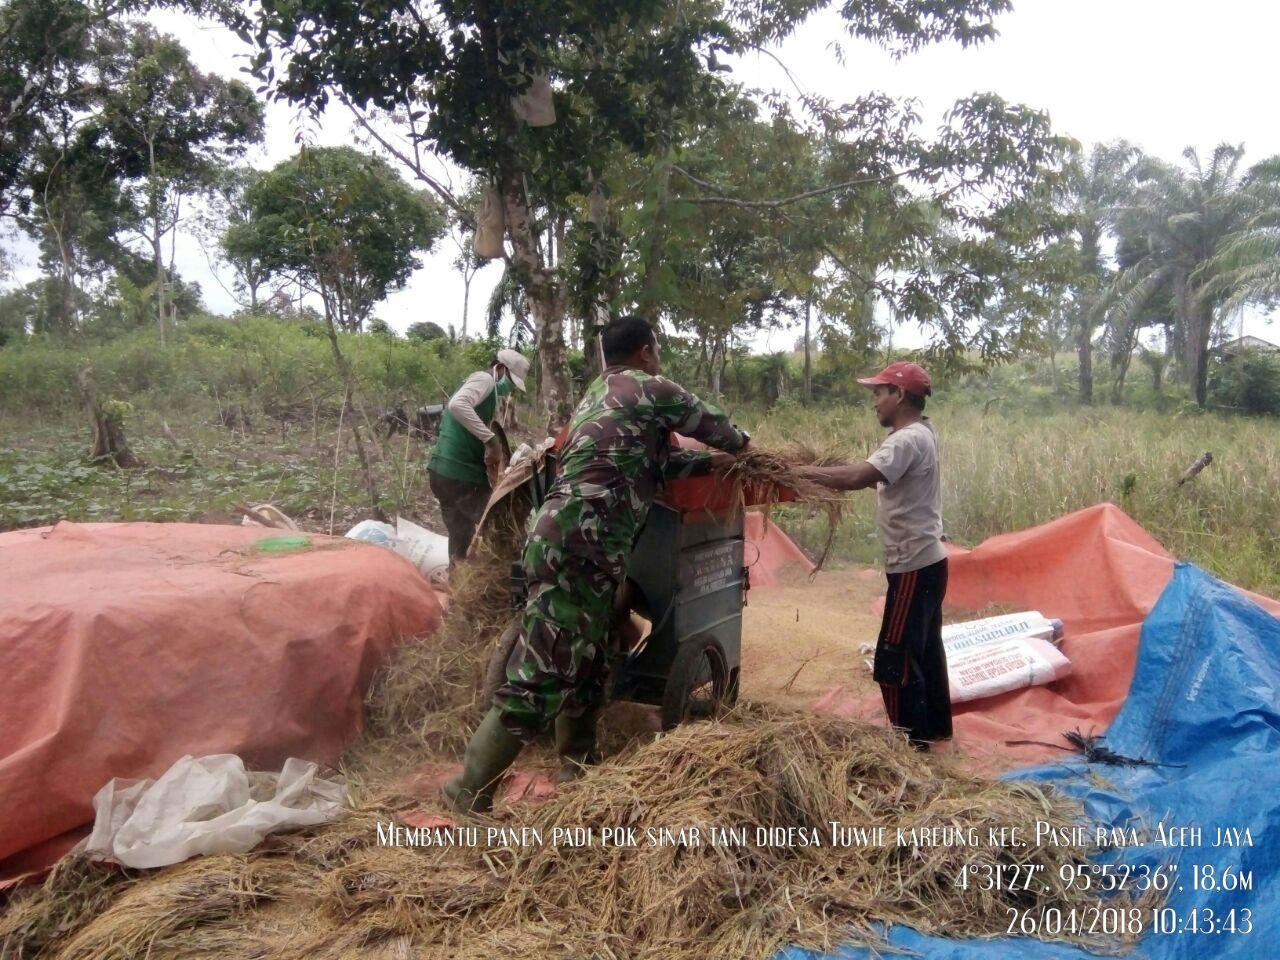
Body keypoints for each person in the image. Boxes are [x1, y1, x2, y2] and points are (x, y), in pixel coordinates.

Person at [442, 316, 749, 813]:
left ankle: (578, 762)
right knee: (542, 675)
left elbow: (643, 462)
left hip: (577, 543)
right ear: (647, 352)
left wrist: (706, 465)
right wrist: (741, 447)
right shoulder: (651, 388)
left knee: (593, 652)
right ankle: (467, 789)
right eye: (656, 352)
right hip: (577, 546)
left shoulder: (598, 395)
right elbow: (716, 428)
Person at [797, 361, 951, 751]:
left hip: (913, 564)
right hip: (931, 560)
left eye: (879, 393)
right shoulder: (923, 433)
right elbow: (879, 477)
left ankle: (908, 749)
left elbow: (854, 478)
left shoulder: (904, 440)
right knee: (926, 649)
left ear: (899, 395)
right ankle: (934, 732)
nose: (875, 403)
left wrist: (798, 472)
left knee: (893, 658)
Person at [427, 348, 532, 565]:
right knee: (499, 524)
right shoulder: (485, 379)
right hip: (460, 474)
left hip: (441, 473)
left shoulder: (485, 390)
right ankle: (495, 582)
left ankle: (459, 586)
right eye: (510, 381)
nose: (510, 388)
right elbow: (457, 405)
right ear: (500, 368)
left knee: (460, 534)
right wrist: (490, 440)